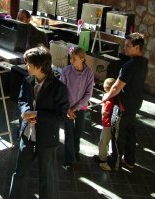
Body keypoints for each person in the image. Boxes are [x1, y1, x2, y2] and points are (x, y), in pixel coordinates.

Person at [9, 46, 69, 199]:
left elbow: (61, 116)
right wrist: (25, 111)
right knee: (19, 173)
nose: (26, 66)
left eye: (28, 64)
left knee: (46, 177)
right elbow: (21, 100)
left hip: (47, 140)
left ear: (40, 66)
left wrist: (37, 114)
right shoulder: (27, 80)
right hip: (27, 136)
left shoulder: (59, 88)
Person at [100, 32, 148, 171]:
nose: (124, 48)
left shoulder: (129, 65)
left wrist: (106, 96)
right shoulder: (143, 62)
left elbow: (116, 87)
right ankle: (129, 160)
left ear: (137, 47)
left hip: (123, 106)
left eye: (128, 46)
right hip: (135, 104)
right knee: (130, 133)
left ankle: (114, 163)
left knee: (117, 134)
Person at [60, 46, 94, 170]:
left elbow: (88, 93)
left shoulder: (89, 73)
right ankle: (69, 159)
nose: (71, 61)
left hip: (81, 108)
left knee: (78, 132)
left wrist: (76, 108)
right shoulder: (66, 71)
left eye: (74, 59)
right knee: (69, 133)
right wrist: (68, 108)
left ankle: (75, 151)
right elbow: (61, 91)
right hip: (67, 108)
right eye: (70, 58)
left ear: (82, 59)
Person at [93, 77, 116, 163]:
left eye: (105, 87)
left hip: (107, 124)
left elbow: (104, 113)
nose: (103, 88)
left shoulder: (108, 100)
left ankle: (102, 158)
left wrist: (103, 102)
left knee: (103, 142)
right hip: (112, 124)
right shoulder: (115, 97)